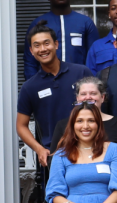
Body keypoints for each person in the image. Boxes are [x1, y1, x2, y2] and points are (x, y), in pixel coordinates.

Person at [17, 22, 93, 167]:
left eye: (47, 43)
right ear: (31, 51)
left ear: (56, 44)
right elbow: (21, 126)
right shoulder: (29, 87)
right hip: (55, 156)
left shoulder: (81, 72)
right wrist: (39, 149)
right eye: (37, 45)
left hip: (88, 149)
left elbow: (99, 109)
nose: (43, 49)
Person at [23, 0, 100, 80]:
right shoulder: (38, 24)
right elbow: (30, 61)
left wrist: (90, 84)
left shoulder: (85, 22)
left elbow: (94, 57)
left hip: (79, 83)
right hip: (47, 82)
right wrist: (34, 85)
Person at [49, 77, 117, 152]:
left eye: (93, 93)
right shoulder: (63, 125)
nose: (88, 97)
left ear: (102, 97)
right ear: (77, 98)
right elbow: (54, 158)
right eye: (83, 94)